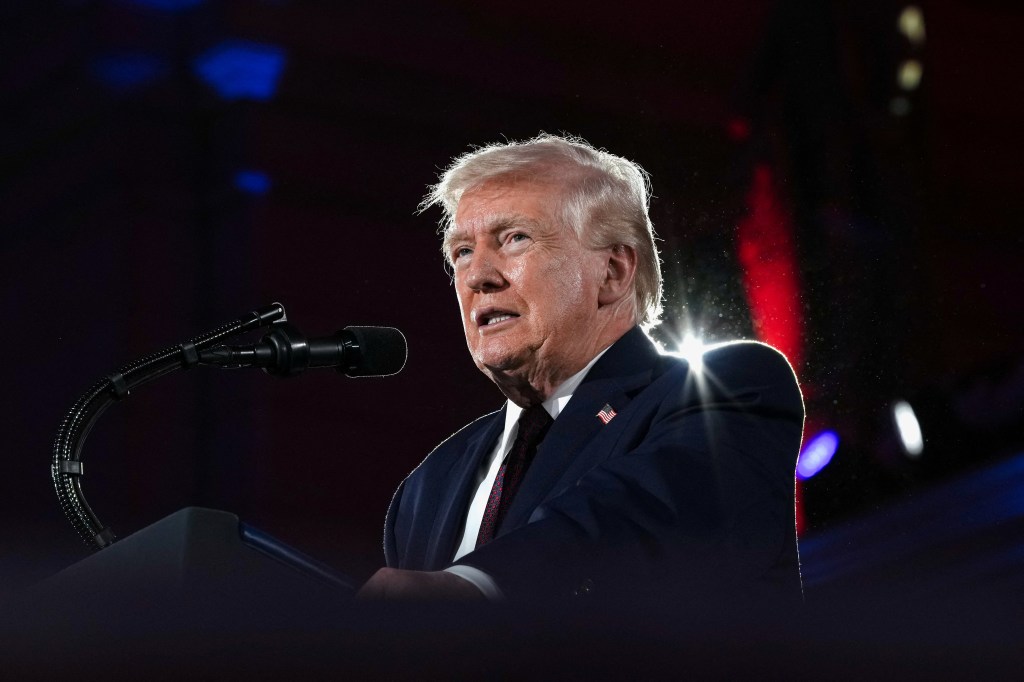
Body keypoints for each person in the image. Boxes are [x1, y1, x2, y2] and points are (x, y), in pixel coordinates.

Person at [357, 134, 804, 604]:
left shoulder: (727, 389)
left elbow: (642, 519)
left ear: (613, 271)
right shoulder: (427, 487)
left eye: (515, 238)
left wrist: (476, 587)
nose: (477, 276)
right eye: (462, 251)